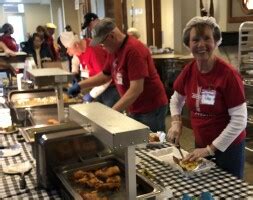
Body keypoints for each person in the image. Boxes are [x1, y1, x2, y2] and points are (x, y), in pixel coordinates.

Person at [167, 16, 247, 179]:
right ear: (188, 44)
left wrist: (210, 150)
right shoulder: (189, 70)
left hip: (228, 148)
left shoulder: (228, 75)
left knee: (228, 191)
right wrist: (176, 122)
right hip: (201, 144)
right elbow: (176, 99)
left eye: (207, 39)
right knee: (204, 188)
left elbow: (239, 120)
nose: (201, 45)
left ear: (216, 41)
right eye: (195, 39)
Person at [68, 18, 168, 132]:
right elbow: (105, 75)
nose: (102, 47)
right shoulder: (114, 50)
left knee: (152, 143)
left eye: (102, 43)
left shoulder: (133, 50)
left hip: (150, 108)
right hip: (134, 107)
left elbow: (136, 89)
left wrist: (112, 112)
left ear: (111, 36)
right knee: (138, 141)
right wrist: (80, 85)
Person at [61, 31, 120, 107]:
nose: (67, 51)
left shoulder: (94, 52)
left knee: (110, 115)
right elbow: (75, 60)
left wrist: (91, 95)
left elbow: (105, 78)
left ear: (76, 45)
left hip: (110, 88)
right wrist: (74, 73)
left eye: (68, 48)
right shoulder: (81, 47)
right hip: (98, 86)